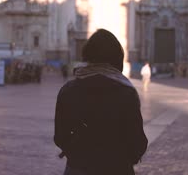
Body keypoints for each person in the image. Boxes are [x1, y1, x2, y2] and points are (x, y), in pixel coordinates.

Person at [54, 29, 147, 175]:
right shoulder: (126, 92)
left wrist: (77, 153)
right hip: (117, 168)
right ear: (118, 59)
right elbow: (138, 141)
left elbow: (60, 136)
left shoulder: (68, 90)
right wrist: (125, 159)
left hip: (78, 167)